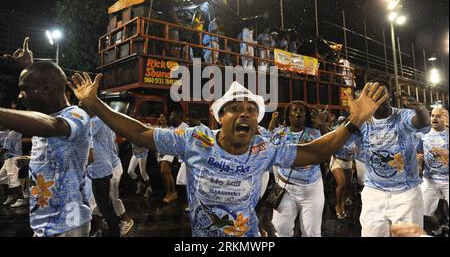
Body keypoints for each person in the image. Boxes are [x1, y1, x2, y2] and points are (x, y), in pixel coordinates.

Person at [68, 71, 387, 237]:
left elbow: (318, 151)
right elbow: (139, 133)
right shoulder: (194, 140)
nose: (246, 114)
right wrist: (95, 105)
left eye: (252, 109)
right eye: (236, 108)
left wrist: (355, 119)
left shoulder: (265, 148)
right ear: (220, 117)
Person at [0, 40, 91, 236]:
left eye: (25, 89)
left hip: (68, 224)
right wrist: (31, 160)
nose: (20, 96)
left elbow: (52, 126)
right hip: (44, 222)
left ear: (47, 90)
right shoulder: (43, 114)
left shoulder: (76, 114)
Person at [347, 78, 431, 237]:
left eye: (381, 93)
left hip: (406, 194)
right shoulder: (363, 121)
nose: (376, 97)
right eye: (372, 93)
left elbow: (421, 122)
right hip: (374, 192)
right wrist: (353, 118)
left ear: (389, 96)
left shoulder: (402, 115)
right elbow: (339, 142)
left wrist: (420, 109)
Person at [270, 101, 325, 237]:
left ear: (306, 116)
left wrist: (322, 124)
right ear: (289, 116)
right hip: (286, 188)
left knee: (311, 232)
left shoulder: (315, 134)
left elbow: (332, 145)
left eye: (302, 111)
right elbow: (271, 157)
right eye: (294, 110)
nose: (298, 113)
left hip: (311, 189)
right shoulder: (279, 135)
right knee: (281, 229)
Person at [417, 107, 448, 221]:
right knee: (421, 212)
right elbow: (419, 152)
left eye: (439, 116)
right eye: (433, 115)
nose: (434, 118)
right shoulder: (423, 134)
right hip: (429, 180)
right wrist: (419, 165)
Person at [330, 116, 354, 219]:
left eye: (345, 121)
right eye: (341, 122)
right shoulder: (335, 131)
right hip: (337, 161)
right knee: (342, 184)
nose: (343, 123)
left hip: (348, 162)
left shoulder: (353, 134)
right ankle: (337, 206)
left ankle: (342, 205)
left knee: (347, 186)